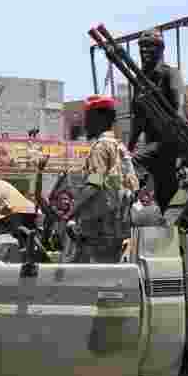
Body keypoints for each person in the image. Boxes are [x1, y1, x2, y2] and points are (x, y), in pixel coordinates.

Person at [127, 29, 187, 213]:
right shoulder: (140, 80)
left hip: (168, 142)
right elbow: (138, 119)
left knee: (132, 163)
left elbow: (180, 108)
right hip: (152, 143)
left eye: (149, 46)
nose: (144, 51)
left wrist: (174, 131)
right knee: (165, 194)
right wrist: (128, 146)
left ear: (161, 49)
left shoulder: (170, 74)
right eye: (141, 47)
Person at [65, 95, 125, 263]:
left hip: (98, 227)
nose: (85, 124)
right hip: (115, 225)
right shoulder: (119, 147)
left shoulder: (100, 148)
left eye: (88, 118)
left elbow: (94, 183)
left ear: (100, 119)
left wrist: (71, 212)